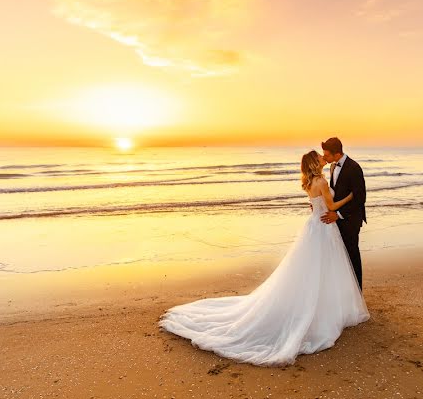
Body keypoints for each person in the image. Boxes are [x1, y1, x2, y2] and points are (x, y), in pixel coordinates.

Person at [158, 150, 369, 366]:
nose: (324, 158)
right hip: (324, 227)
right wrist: (351, 196)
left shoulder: (310, 182)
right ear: (316, 162)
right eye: (320, 157)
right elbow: (332, 207)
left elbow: (317, 204)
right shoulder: (322, 181)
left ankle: (322, 304)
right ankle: (324, 308)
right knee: (324, 268)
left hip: (315, 226)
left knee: (313, 270)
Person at [320, 137, 366, 290]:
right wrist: (320, 205)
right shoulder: (333, 167)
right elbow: (333, 194)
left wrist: (338, 214)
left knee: (352, 256)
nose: (324, 157)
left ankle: (357, 293)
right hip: (337, 219)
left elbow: (360, 198)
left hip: (350, 220)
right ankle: (345, 292)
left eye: (326, 154)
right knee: (340, 257)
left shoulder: (354, 168)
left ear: (337, 153)